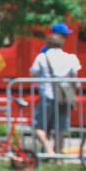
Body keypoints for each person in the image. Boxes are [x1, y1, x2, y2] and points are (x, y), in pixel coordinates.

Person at [28, 22, 81, 157]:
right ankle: (58, 156)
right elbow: (74, 78)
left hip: (47, 94)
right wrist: (73, 94)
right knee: (60, 128)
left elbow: (32, 73)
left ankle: (49, 151)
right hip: (63, 96)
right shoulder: (70, 58)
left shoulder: (42, 56)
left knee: (39, 126)